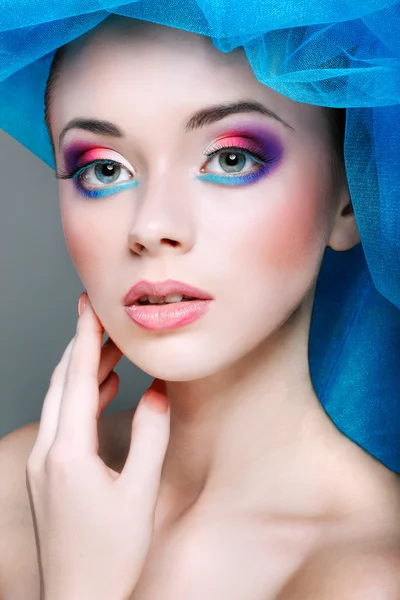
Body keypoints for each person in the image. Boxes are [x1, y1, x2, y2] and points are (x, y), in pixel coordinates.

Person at [1, 8, 400, 600]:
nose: (152, 226)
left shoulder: (370, 574)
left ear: (349, 199)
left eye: (231, 158)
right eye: (104, 168)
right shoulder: (18, 484)